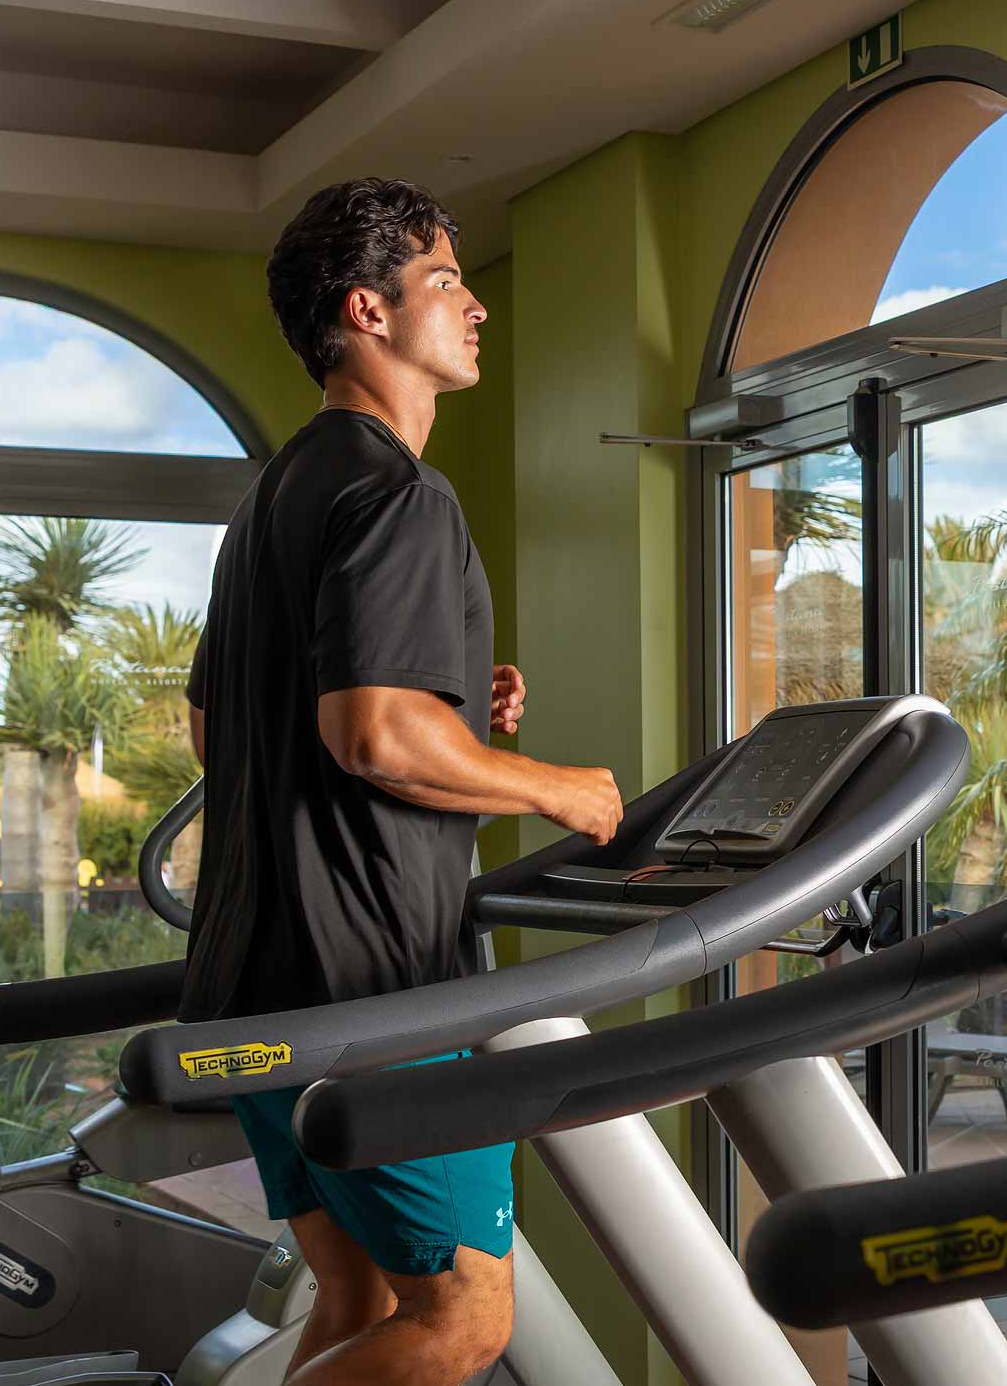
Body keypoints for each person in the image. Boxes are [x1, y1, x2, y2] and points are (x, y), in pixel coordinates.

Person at [182, 177, 625, 1386]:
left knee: (358, 1289)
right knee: (465, 1321)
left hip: (253, 980)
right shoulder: (397, 492)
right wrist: (550, 786)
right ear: (369, 311)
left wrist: (457, 727)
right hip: (370, 991)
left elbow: (221, 728)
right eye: (445, 282)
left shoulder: (274, 496)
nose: (475, 307)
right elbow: (371, 737)